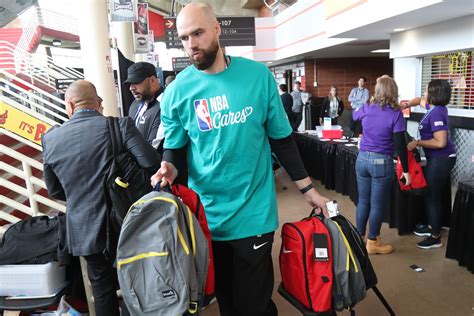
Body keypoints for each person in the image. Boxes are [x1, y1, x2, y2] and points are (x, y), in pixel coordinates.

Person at [150, 3, 330, 315]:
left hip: (254, 214)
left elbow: (282, 140)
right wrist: (169, 165)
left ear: (217, 29)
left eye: (198, 33)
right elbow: (175, 148)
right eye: (183, 38)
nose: (191, 44)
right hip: (207, 219)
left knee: (255, 303)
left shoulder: (257, 76)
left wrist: (308, 190)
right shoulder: (177, 92)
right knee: (228, 302)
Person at [42, 80, 160, 316]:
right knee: (135, 283)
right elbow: (151, 162)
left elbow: (55, 190)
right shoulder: (119, 125)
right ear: (99, 103)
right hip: (126, 222)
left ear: (69, 105)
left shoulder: (51, 138)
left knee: (102, 288)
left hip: (85, 228)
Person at [352, 77, 410, 255]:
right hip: (380, 162)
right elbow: (400, 144)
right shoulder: (396, 114)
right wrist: (406, 170)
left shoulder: (367, 108)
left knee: (363, 201)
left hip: (362, 159)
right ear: (394, 91)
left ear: (377, 91)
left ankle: (358, 239)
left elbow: (354, 117)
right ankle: (372, 241)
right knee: (377, 204)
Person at [405, 79, 456, 249]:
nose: (424, 94)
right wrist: (403, 105)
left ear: (434, 94)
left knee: (432, 196)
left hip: (442, 158)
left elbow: (440, 142)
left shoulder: (437, 113)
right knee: (432, 194)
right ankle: (432, 226)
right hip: (438, 158)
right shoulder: (433, 108)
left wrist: (418, 143)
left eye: (427, 91)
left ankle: (435, 237)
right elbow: (418, 100)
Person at [125, 62, 164, 150]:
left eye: (136, 82)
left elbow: (153, 148)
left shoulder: (164, 105)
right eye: (130, 84)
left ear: (152, 80)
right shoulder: (135, 104)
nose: (131, 88)